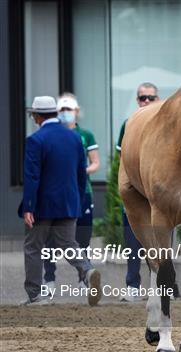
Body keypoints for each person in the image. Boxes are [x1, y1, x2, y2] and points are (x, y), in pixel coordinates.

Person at [19, 96, 101, 306]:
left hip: (42, 206)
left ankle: (35, 295)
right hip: (69, 202)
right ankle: (87, 270)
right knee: (68, 244)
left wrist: (28, 206)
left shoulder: (35, 140)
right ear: (55, 113)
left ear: (37, 116)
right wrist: (79, 200)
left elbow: (32, 176)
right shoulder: (74, 138)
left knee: (33, 247)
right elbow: (81, 174)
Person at [43, 94, 100, 290]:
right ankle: (48, 279)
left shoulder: (85, 135)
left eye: (69, 110)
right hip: (56, 193)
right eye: (62, 110)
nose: (66, 113)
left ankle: (84, 277)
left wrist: (79, 171)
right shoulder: (50, 134)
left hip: (82, 191)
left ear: (76, 111)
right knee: (49, 238)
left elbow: (95, 163)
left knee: (81, 238)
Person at [117, 82, 159, 301]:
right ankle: (133, 286)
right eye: (143, 98)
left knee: (161, 245)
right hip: (136, 194)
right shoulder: (129, 124)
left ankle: (160, 286)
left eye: (151, 98)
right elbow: (122, 160)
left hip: (158, 197)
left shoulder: (164, 124)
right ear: (137, 100)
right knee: (133, 245)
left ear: (157, 99)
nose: (146, 102)